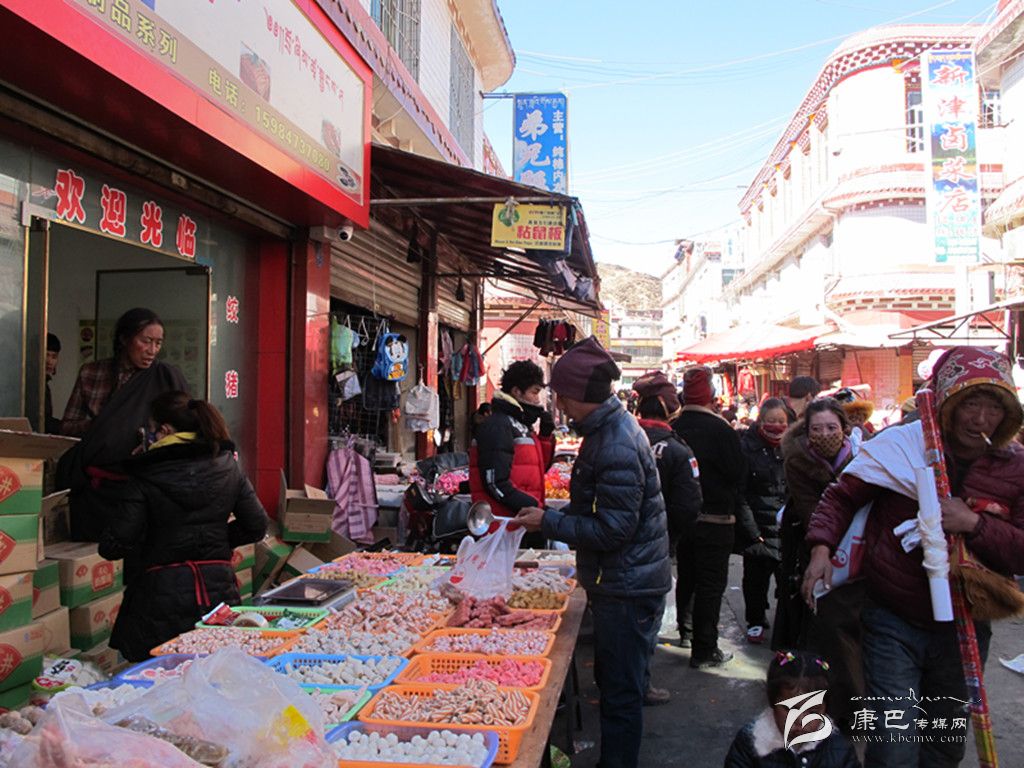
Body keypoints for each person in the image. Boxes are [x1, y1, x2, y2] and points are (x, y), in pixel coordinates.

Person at [803, 347, 1024, 767]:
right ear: (947, 403)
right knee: (893, 742)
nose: (980, 419)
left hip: (967, 624)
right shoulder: (902, 447)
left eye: (994, 407)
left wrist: (975, 524)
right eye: (970, 404)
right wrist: (821, 548)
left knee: (943, 743)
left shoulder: (1016, 467)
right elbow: (842, 496)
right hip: (893, 618)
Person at [514, 337, 671, 768]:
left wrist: (548, 522)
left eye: (563, 395)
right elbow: (602, 511)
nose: (559, 404)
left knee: (620, 694)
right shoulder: (606, 432)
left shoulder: (616, 442)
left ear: (581, 394)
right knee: (616, 683)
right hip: (622, 581)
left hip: (627, 586)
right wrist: (553, 515)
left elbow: (614, 529)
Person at [99, 392, 267, 662]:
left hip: (157, 597)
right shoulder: (227, 466)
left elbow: (114, 544)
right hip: (217, 591)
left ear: (165, 430)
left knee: (158, 673)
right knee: (218, 670)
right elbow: (256, 525)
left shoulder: (145, 473)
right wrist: (216, 542)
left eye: (151, 431)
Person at [57, 308, 189, 541]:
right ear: (124, 338)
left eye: (158, 343)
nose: (152, 350)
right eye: (146, 341)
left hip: (145, 490)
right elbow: (67, 427)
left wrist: (154, 440)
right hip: (95, 492)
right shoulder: (91, 373)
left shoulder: (166, 378)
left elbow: (186, 433)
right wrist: (106, 428)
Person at [633, 371, 702, 705]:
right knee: (647, 619)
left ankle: (614, 681)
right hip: (656, 547)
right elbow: (689, 505)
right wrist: (669, 534)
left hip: (615, 547)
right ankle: (639, 684)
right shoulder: (676, 450)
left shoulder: (622, 440)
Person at [674, 365, 746, 667]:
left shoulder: (674, 427)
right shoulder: (722, 430)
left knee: (687, 577)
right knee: (710, 585)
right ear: (711, 395)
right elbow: (737, 474)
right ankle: (704, 649)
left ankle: (687, 632)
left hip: (683, 521)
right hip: (716, 520)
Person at [468, 361, 554, 549]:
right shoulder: (498, 426)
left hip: (523, 523)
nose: (537, 400)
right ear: (517, 392)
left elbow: (536, 468)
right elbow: (495, 482)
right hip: (504, 528)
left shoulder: (520, 425)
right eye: (534, 392)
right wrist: (535, 507)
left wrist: (545, 437)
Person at [723, 650, 860, 768]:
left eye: (812, 712)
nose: (801, 720)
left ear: (825, 710)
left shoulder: (838, 749)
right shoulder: (751, 743)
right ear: (773, 702)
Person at [736, 398, 788, 645]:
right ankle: (755, 621)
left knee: (786, 581)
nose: (776, 426)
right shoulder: (746, 448)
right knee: (755, 580)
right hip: (758, 527)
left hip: (786, 526)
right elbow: (740, 493)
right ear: (760, 421)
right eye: (771, 421)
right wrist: (752, 530)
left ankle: (785, 624)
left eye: (781, 421)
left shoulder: (792, 447)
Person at [44, 332, 62, 434]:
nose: (49, 361)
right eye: (46, 355)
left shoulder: (44, 384)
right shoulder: (34, 384)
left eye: (54, 357)